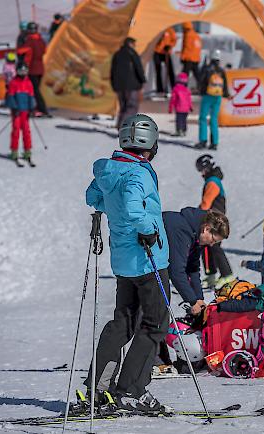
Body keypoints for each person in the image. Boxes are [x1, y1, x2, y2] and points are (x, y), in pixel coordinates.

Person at [84, 114, 171, 413]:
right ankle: (131, 391)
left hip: (124, 263)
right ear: (150, 144)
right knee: (155, 325)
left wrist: (117, 210)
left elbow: (93, 197)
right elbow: (135, 208)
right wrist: (147, 228)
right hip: (148, 261)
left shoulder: (109, 170)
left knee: (123, 324)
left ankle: (98, 389)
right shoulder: (139, 173)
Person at [162, 207, 230, 315]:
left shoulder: (196, 235)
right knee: (158, 310)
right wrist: (192, 301)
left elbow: (192, 268)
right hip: (141, 267)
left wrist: (199, 298)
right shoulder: (182, 230)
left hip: (150, 268)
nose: (212, 244)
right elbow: (176, 271)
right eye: (213, 240)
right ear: (206, 229)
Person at [195, 154, 234, 289]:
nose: (201, 172)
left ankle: (227, 275)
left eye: (201, 169)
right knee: (206, 246)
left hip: (215, 219)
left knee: (214, 246)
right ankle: (211, 275)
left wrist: (197, 213)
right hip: (212, 217)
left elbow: (206, 203)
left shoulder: (212, 181)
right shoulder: (213, 179)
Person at [196, 49, 230, 150]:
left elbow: (201, 81)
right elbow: (225, 86)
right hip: (217, 97)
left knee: (203, 118)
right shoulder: (221, 70)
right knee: (214, 119)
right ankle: (214, 143)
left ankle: (203, 141)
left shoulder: (207, 68)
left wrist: (200, 91)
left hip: (207, 96)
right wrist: (226, 94)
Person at [111, 37, 146, 129]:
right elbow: (139, 68)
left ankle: (120, 125)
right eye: (134, 44)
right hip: (132, 85)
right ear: (130, 44)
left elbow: (112, 71)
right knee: (131, 106)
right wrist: (142, 80)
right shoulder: (132, 54)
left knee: (123, 106)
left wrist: (114, 84)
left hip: (119, 86)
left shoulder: (117, 54)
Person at [5, 64, 35, 163]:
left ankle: (27, 151)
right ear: (17, 71)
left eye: (25, 71)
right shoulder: (13, 82)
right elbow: (10, 96)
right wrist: (14, 108)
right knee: (16, 131)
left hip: (25, 112)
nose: (23, 74)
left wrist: (31, 108)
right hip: (17, 112)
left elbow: (31, 96)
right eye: (21, 71)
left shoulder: (29, 83)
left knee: (26, 131)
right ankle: (14, 151)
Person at [18, 22, 49, 117]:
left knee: (34, 90)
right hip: (41, 69)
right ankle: (38, 108)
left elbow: (20, 50)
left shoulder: (30, 40)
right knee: (37, 90)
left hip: (32, 69)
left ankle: (41, 109)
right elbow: (45, 51)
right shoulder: (41, 40)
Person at [152, 27, 177, 95]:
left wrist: (169, 46)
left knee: (170, 71)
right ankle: (160, 89)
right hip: (157, 51)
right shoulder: (157, 29)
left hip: (166, 52)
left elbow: (174, 40)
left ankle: (173, 88)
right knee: (158, 71)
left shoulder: (170, 30)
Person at [168, 72, 193, 136]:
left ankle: (179, 131)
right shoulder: (187, 90)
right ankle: (184, 130)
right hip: (186, 109)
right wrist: (190, 107)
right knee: (184, 120)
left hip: (179, 108)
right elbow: (189, 99)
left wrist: (170, 108)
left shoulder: (175, 89)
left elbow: (173, 99)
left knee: (179, 120)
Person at [180, 22, 202, 87]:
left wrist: (183, 57)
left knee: (184, 75)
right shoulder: (196, 35)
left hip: (189, 58)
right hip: (196, 58)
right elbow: (199, 47)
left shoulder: (188, 35)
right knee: (197, 75)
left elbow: (187, 47)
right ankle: (202, 88)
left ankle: (183, 88)